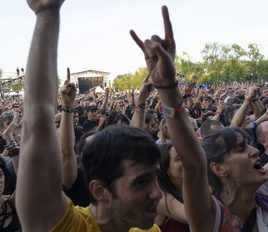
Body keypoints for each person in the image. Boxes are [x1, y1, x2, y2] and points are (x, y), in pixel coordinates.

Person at [130, 5, 268, 231]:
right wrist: (166, 87)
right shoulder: (210, 218)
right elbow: (193, 165)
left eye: (247, 144)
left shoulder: (264, 193)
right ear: (218, 169)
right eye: (240, 149)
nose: (254, 150)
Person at [16, 1, 161, 231]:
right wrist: (46, 14)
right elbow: (36, 122)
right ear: (99, 191)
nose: (157, 193)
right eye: (141, 182)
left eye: (155, 177)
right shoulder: (68, 226)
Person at [156, 143, 190, 232]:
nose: (186, 161)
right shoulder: (160, 197)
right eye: (178, 159)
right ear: (166, 169)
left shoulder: (192, 188)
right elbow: (195, 218)